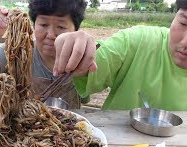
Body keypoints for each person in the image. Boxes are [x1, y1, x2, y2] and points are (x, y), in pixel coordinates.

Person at [53, 0, 187, 110]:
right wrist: (77, 48)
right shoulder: (140, 40)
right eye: (183, 23)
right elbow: (102, 57)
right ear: (174, 16)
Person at [0, 0, 96, 108]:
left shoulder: (80, 59)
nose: (50, 35)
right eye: (43, 25)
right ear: (33, 24)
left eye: (61, 27)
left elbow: (83, 98)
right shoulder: (15, 51)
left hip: (68, 132)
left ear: (75, 29)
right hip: (20, 132)